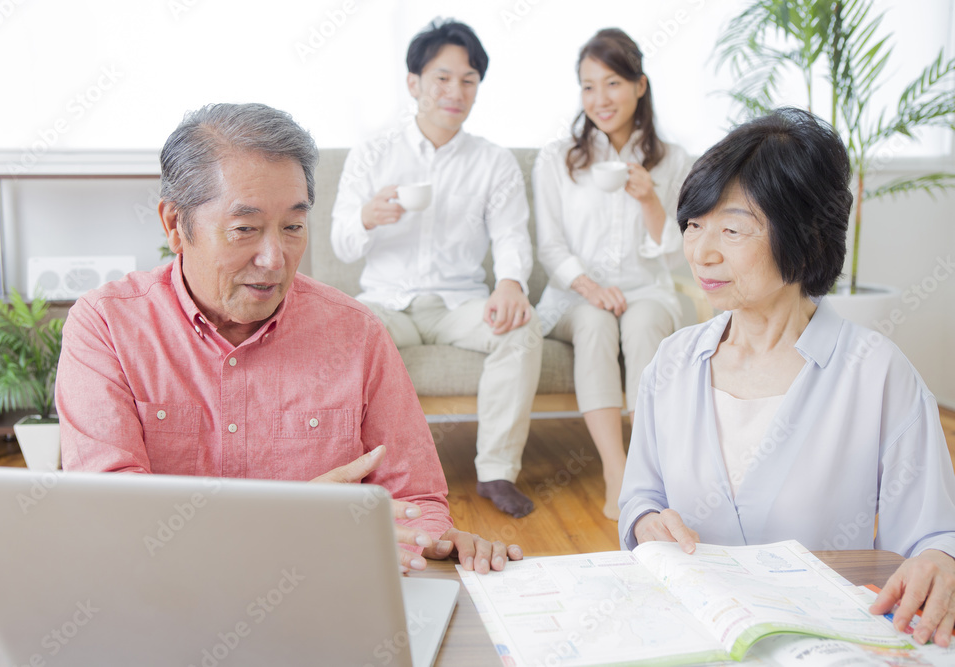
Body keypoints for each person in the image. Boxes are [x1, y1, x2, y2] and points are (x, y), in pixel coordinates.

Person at [56, 102, 522, 575]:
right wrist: (290, 521)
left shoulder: (356, 333)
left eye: (293, 227)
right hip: (167, 594)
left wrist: (432, 540)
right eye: (245, 229)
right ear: (176, 224)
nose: (274, 259)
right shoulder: (106, 326)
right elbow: (112, 516)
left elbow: (415, 500)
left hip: (325, 591)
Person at [617, 107, 955, 647]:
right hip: (692, 638)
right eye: (694, 225)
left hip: (827, 643)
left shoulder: (877, 373)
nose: (701, 252)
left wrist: (939, 561)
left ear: (804, 235)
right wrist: (645, 523)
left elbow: (931, 536)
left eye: (732, 229)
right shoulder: (672, 362)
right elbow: (640, 496)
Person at [330, 19, 542, 518]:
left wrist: (511, 283)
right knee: (342, 336)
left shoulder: (494, 161)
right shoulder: (373, 153)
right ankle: (353, 471)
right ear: (414, 83)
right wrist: (367, 217)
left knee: (522, 329)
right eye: (442, 78)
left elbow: (511, 235)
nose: (456, 91)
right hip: (387, 301)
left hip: (458, 304)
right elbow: (341, 243)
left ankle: (496, 472)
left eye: (468, 80)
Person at [533, 28, 689, 520]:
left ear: (640, 85)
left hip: (647, 290)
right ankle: (615, 470)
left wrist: (650, 200)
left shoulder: (674, 161)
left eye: (613, 83)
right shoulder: (558, 159)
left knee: (643, 324)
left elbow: (677, 256)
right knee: (595, 322)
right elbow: (549, 245)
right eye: (588, 86)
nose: (600, 99)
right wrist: (590, 288)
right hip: (574, 296)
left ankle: (647, 469)